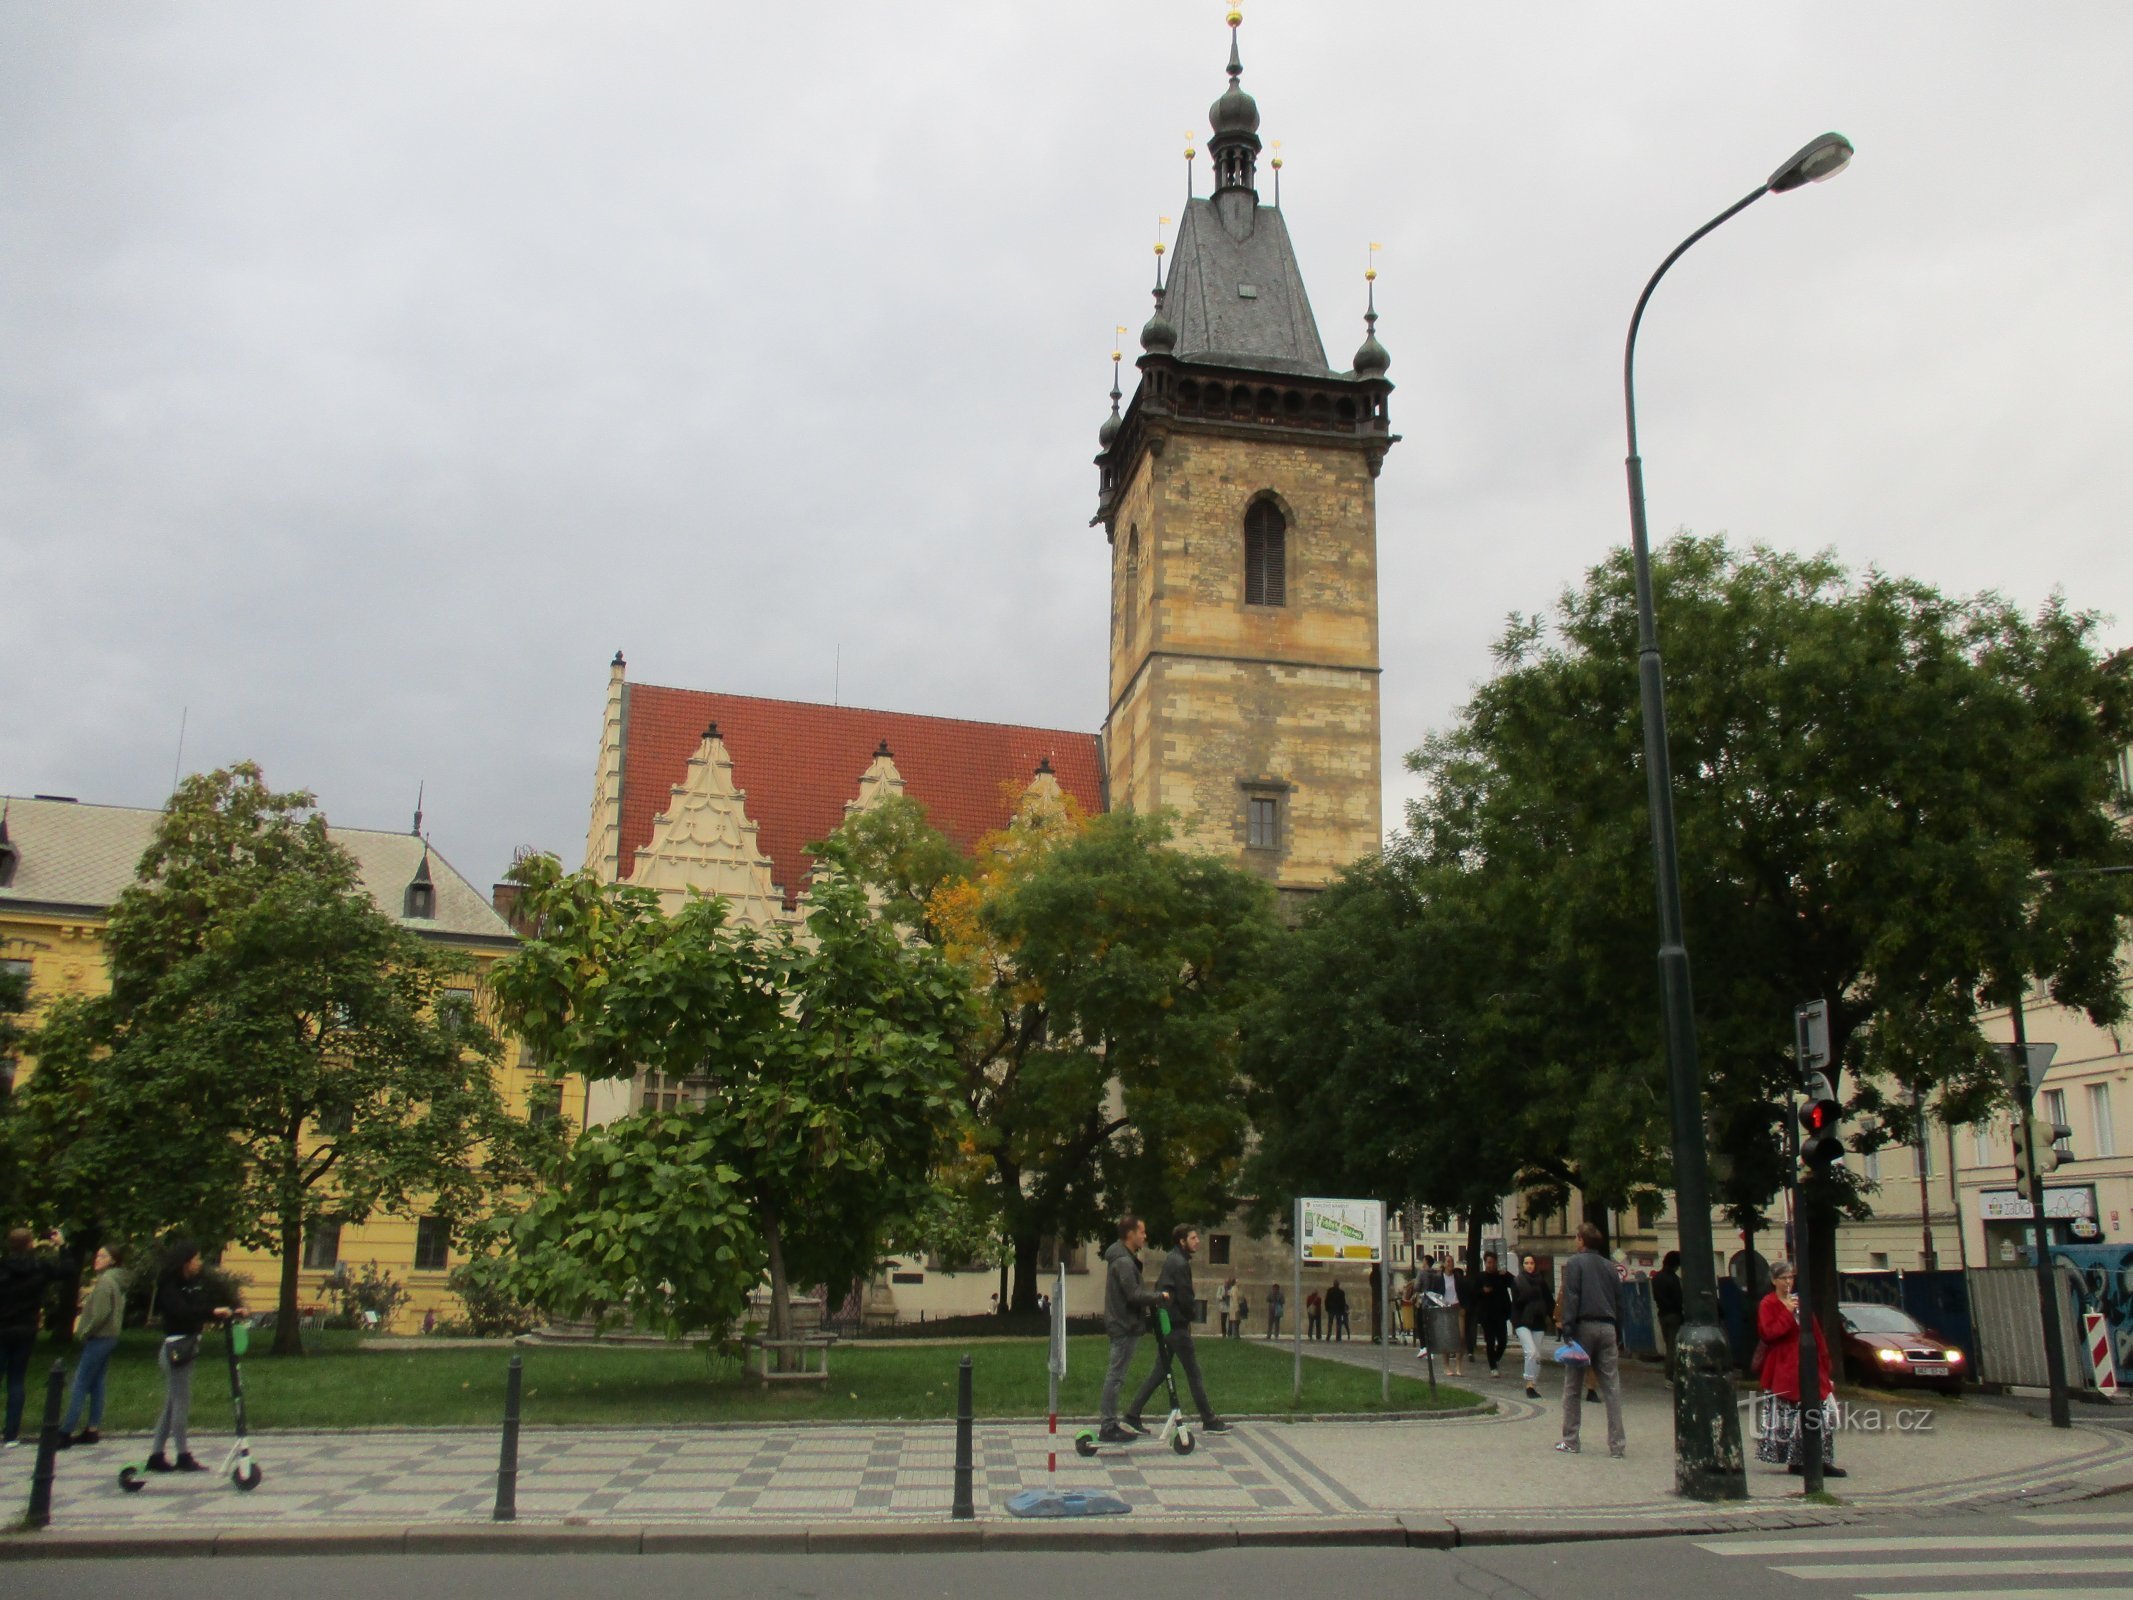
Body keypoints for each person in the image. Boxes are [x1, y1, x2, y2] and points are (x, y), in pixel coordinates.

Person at [147, 1240, 243, 1473]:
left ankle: (156, 1455)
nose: (199, 1263)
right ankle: (182, 1455)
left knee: (172, 1405)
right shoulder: (170, 1287)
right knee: (180, 1403)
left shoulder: (190, 1284)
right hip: (176, 1349)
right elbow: (183, 1312)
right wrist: (211, 1312)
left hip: (187, 1346)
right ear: (185, 1262)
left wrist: (229, 1311)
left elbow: (202, 1307)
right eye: (196, 1259)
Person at [1126, 1225, 1230, 1435]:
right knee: (1194, 1372)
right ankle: (1209, 1420)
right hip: (1177, 1325)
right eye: (1193, 1238)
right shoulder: (1180, 1263)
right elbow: (1185, 1296)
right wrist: (1190, 1313)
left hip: (1167, 1323)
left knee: (1159, 1371)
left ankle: (1132, 1414)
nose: (1197, 1241)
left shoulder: (1172, 1259)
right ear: (1182, 1241)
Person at [1756, 1261, 1845, 1477]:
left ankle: (1821, 1460)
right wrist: (1786, 1313)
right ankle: (1795, 1460)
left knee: (1819, 1413)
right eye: (1783, 1278)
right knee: (1789, 1416)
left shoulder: (1800, 1302)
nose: (1788, 1282)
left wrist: (1825, 1362)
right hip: (1784, 1366)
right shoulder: (1768, 1303)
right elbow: (1769, 1334)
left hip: (1808, 1364)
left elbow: (1815, 1333)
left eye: (1790, 1278)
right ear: (1774, 1281)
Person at [1555, 1222, 1625, 1458]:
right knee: (1611, 1387)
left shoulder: (1575, 1263)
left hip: (1583, 1326)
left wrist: (1567, 1327)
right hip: (1608, 1326)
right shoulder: (1610, 1267)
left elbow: (1572, 1296)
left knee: (1573, 1387)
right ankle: (1617, 1444)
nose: (1576, 1241)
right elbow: (1619, 1299)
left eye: (1577, 1237)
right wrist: (1619, 1330)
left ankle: (1571, 1440)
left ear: (1582, 1241)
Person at [1, 1227, 75, 1448]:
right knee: (16, 1380)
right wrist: (62, 1246)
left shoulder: (3, 1268)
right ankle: (11, 1434)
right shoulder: (39, 1268)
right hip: (25, 1329)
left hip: (1, 1328)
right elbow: (68, 1270)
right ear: (31, 1244)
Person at [1096, 1214, 1166, 1445]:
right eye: (1142, 1232)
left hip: (1125, 1324)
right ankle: (1108, 1425)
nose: (1145, 1236)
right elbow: (1133, 1295)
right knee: (1115, 1376)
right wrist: (1159, 1297)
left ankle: (1110, 1423)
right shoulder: (1124, 1262)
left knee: (1117, 1375)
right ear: (1130, 1234)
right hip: (1124, 1326)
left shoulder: (1124, 1258)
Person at [56, 1243, 127, 1448]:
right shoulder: (116, 1280)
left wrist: (86, 1331)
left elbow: (101, 1313)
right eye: (97, 1256)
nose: (97, 1259)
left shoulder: (106, 1281)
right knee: (96, 1384)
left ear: (113, 1260)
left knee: (80, 1382)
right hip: (110, 1336)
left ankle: (65, 1431)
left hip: (100, 1337)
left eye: (103, 1256)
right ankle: (92, 1429)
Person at [1511, 1253, 1552, 1400]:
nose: (1529, 1266)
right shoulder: (1518, 1281)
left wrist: (1554, 1318)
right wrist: (1529, 1295)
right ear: (1523, 1265)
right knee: (1531, 1352)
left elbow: (1549, 1301)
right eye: (1527, 1263)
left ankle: (1533, 1384)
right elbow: (1517, 1303)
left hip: (1538, 1321)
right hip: (1522, 1321)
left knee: (1538, 1355)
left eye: (1532, 1263)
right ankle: (1529, 1383)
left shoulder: (1541, 1282)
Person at [1475, 1251, 1515, 1379]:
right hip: (1487, 1315)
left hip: (1500, 1314)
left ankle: (1496, 1358)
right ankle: (1492, 1366)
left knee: (1503, 1340)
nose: (1490, 1265)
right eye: (1488, 1262)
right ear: (1485, 1263)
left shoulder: (1501, 1276)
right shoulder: (1481, 1277)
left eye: (1493, 1262)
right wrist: (1483, 1291)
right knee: (1490, 1341)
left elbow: (1515, 1282)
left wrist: (1506, 1273)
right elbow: (1473, 1292)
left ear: (1496, 1263)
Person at [1652, 1250, 1684, 1382]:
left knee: (1668, 1344)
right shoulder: (1673, 1279)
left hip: (1662, 1314)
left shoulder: (1657, 1277)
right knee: (1673, 1346)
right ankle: (1670, 1376)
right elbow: (1679, 1298)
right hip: (1674, 1315)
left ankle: (1670, 1375)